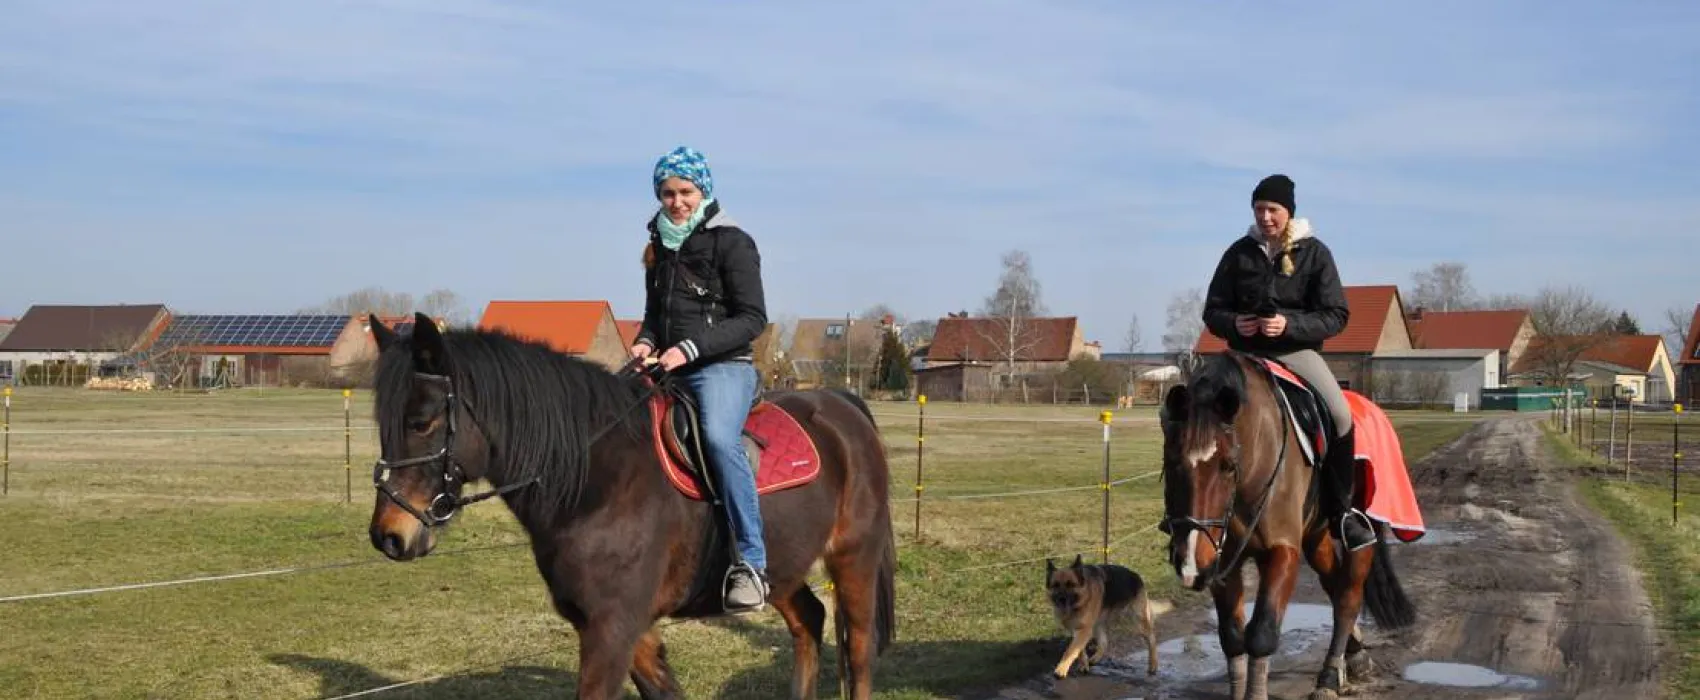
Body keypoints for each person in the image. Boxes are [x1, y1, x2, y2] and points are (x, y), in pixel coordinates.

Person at [629, 145, 772, 610]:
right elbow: (655, 314)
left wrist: (688, 349)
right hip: (667, 368)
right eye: (667, 193)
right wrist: (646, 343)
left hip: (723, 368)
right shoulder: (660, 246)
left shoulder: (733, 242)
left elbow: (752, 318)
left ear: (704, 190)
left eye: (685, 191)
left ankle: (751, 563)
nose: (677, 201)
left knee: (716, 439)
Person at [1201, 173, 1375, 552]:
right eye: (1259, 209)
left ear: (1289, 213)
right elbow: (1212, 311)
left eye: (1272, 210)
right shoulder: (1238, 253)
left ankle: (1342, 513)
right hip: (1242, 352)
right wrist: (1234, 322)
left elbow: (1336, 315)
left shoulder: (1315, 253)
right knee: (1196, 406)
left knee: (1341, 416)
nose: (1265, 217)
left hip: (1294, 352)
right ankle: (1187, 516)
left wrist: (1289, 325)